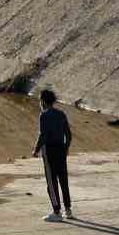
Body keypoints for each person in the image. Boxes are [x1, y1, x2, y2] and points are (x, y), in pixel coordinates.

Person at [33, 89, 73, 221]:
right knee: (63, 180)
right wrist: (65, 148)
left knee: (51, 182)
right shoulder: (61, 114)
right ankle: (68, 210)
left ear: (43, 101)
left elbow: (43, 135)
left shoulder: (44, 115)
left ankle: (57, 212)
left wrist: (35, 150)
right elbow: (68, 135)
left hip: (49, 150)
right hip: (61, 149)